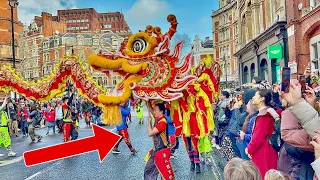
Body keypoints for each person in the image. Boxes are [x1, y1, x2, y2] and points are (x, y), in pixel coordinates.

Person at [245, 89, 278, 178]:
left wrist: (249, 149)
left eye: (255, 95)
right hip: (268, 150)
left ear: (261, 99)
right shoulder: (268, 112)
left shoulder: (263, 116)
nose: (253, 97)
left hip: (263, 152)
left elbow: (257, 139)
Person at [144, 103, 174, 180]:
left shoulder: (162, 122)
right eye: (154, 110)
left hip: (161, 152)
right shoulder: (158, 119)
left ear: (161, 111)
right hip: (156, 151)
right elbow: (150, 109)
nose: (154, 112)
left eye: (156, 110)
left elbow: (150, 133)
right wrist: (147, 102)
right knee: (148, 170)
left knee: (162, 174)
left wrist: (149, 122)